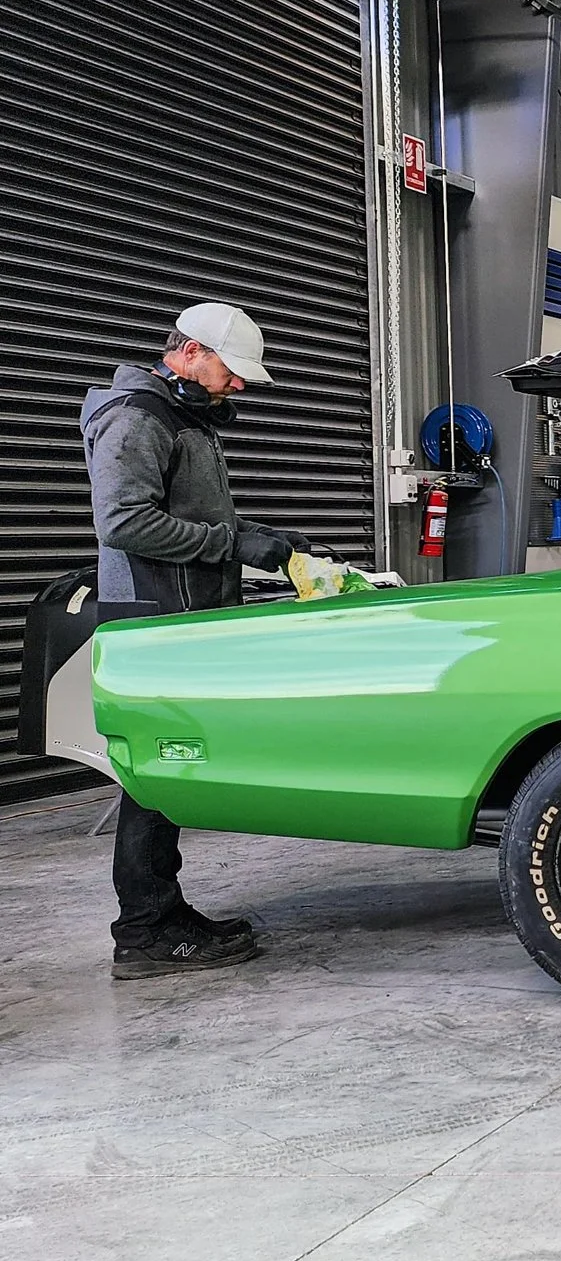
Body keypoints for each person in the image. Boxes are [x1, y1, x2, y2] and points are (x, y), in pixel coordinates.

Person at [81, 303, 309, 979]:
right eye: (228, 372)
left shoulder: (180, 417)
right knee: (154, 774)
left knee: (166, 769)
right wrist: (230, 544)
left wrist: (265, 540)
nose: (235, 386)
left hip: (180, 617)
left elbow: (188, 512)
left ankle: (158, 913)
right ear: (186, 353)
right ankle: (146, 929)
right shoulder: (138, 417)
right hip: (154, 621)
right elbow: (123, 521)